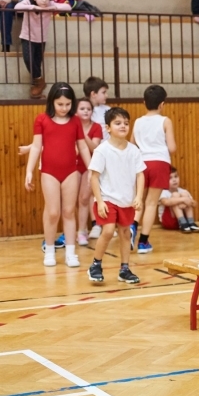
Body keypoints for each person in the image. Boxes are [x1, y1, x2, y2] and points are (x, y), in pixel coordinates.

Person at [24, 83, 92, 268]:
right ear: (52, 102)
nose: (64, 108)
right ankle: (50, 250)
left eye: (68, 104)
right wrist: (29, 170)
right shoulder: (42, 120)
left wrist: (91, 170)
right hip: (49, 172)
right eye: (60, 104)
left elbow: (83, 147)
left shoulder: (75, 121)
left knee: (69, 212)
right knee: (53, 212)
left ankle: (70, 253)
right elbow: (36, 146)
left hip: (70, 172)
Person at [87, 107, 145, 284]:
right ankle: (96, 265)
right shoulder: (102, 150)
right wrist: (100, 201)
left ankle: (124, 269)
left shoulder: (134, 150)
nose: (123, 126)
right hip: (107, 200)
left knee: (126, 233)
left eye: (126, 123)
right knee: (108, 230)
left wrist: (139, 197)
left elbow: (140, 175)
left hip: (126, 201)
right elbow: (94, 177)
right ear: (108, 128)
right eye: (118, 123)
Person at [130, 85, 176, 254]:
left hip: (141, 163)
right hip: (159, 163)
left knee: (138, 200)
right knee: (151, 203)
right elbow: (172, 147)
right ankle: (143, 242)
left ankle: (132, 225)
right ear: (162, 104)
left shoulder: (138, 122)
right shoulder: (165, 121)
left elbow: (132, 145)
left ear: (144, 102)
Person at [14, 0, 71, 98]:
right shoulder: (29, 1)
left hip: (41, 39)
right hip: (27, 37)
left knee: (37, 62)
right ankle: (40, 81)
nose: (44, 1)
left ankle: (37, 87)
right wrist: (34, 7)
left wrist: (53, 7)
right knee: (28, 59)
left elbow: (68, 7)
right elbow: (17, 8)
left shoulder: (50, 4)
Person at [84, 76, 111, 239]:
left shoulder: (107, 110)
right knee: (90, 191)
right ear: (93, 94)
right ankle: (95, 223)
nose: (106, 95)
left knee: (106, 190)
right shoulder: (84, 110)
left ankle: (108, 222)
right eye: (103, 92)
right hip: (89, 155)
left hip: (106, 155)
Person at [75, 98, 103, 246]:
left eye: (89, 109)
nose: (86, 111)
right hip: (73, 165)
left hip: (90, 165)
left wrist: (82, 135)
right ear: (75, 111)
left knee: (84, 198)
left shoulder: (96, 127)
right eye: (82, 108)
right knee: (73, 200)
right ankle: (81, 229)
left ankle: (81, 232)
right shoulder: (71, 125)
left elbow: (94, 148)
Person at [159, 167, 199, 233]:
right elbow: (165, 202)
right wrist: (183, 200)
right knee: (175, 195)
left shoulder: (183, 191)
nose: (174, 180)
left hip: (186, 222)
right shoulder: (163, 191)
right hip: (169, 222)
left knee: (184, 194)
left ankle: (191, 222)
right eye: (170, 178)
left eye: (176, 176)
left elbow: (195, 204)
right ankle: (182, 223)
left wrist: (186, 203)